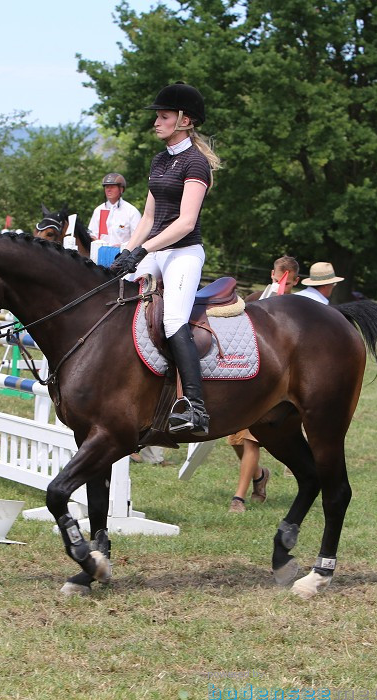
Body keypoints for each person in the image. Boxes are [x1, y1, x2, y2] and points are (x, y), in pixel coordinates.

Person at [110, 81, 221, 436]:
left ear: (185, 121)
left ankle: (194, 406)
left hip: (184, 252)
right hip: (155, 249)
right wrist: (127, 253)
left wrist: (144, 249)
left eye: (163, 116)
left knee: (173, 320)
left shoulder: (196, 163)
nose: (156, 122)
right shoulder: (160, 160)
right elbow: (147, 218)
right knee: (115, 295)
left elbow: (185, 222)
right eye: (158, 116)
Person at [227, 256, 300, 512]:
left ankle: (238, 498)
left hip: (270, 385)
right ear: (272, 275)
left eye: (290, 283)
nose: (285, 286)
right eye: (282, 280)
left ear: (296, 281)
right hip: (244, 379)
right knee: (236, 440)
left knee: (250, 440)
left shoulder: (297, 308)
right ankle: (259, 476)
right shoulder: (255, 300)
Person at [88, 173, 142, 247]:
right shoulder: (98, 210)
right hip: (101, 254)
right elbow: (92, 235)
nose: (109, 190)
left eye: (112, 187)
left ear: (121, 189)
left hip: (123, 255)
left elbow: (138, 238)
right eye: (106, 187)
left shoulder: (132, 211)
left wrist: (121, 246)